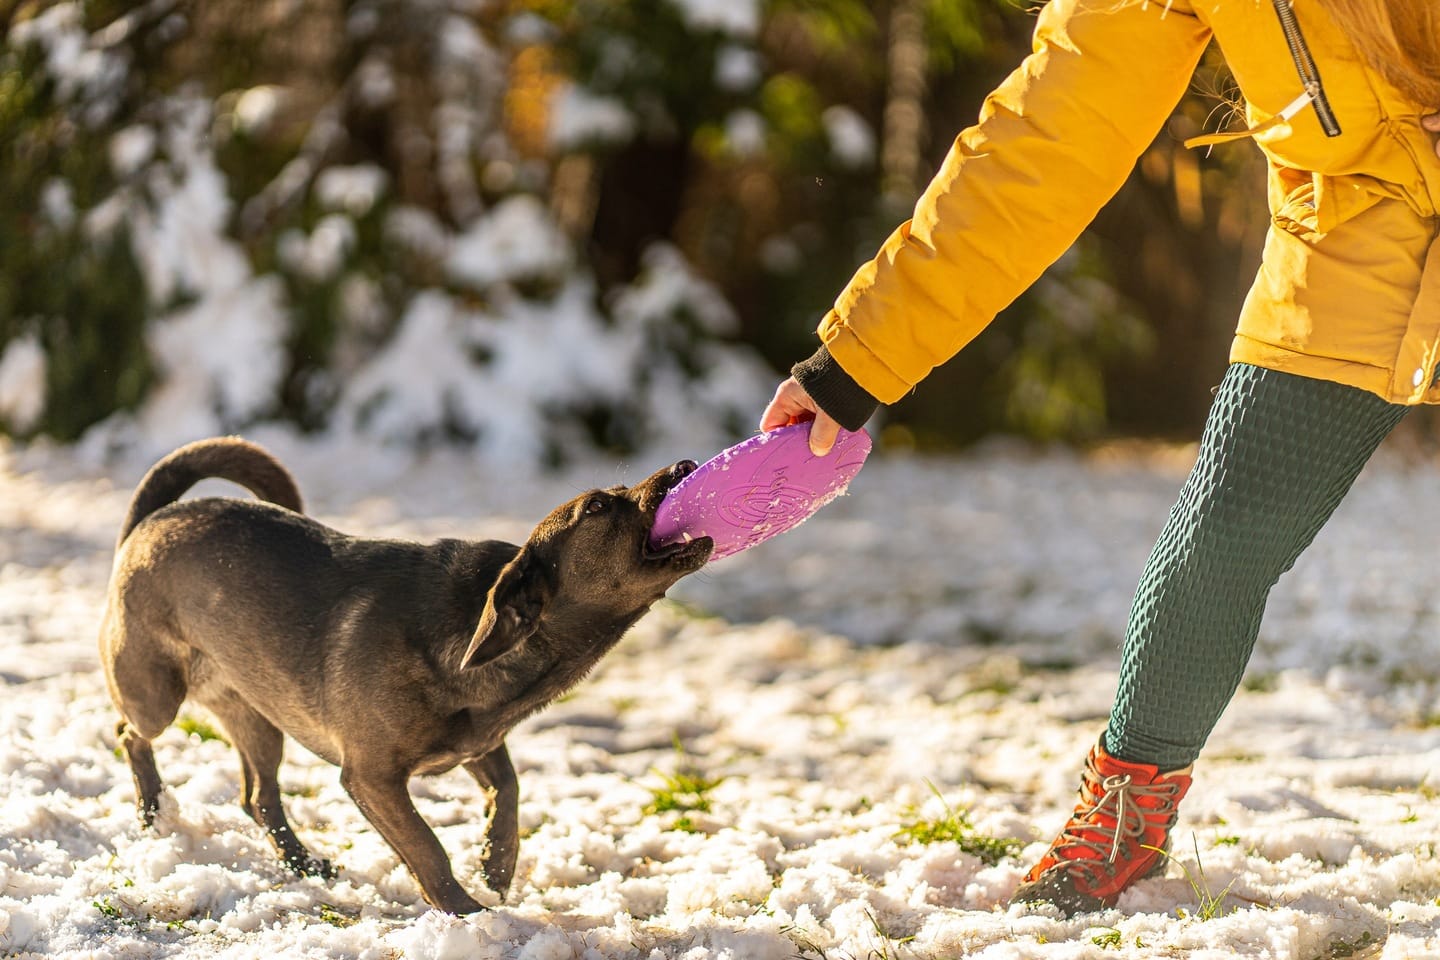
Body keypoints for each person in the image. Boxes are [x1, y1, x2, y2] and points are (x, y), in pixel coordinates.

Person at [760, 0, 1440, 917]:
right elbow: (1042, 145)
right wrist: (852, 367)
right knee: (1222, 535)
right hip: (1356, 229)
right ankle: (1126, 812)